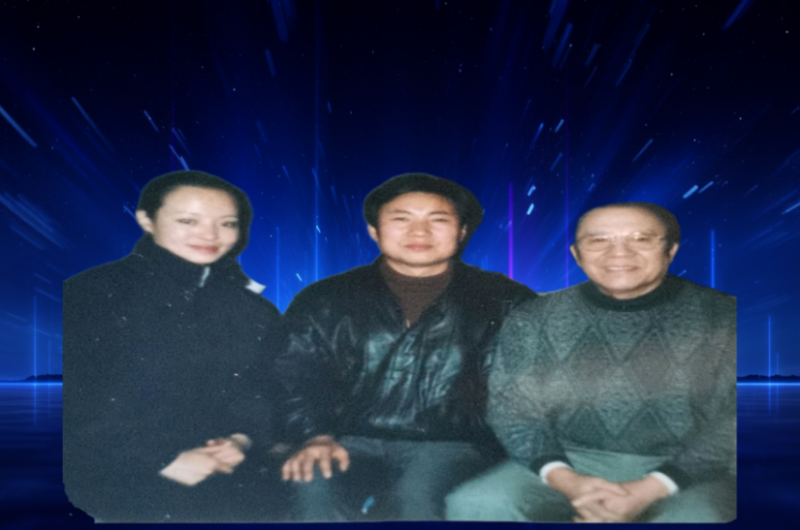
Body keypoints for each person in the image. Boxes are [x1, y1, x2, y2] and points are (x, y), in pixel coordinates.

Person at [446, 202, 736, 523]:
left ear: (671, 250)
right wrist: (569, 482)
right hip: (568, 460)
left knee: (698, 519)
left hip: (692, 469)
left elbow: (733, 422)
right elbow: (512, 408)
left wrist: (651, 488)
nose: (619, 253)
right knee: (476, 504)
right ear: (576, 253)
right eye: (598, 241)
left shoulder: (726, 315)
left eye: (641, 239)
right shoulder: (534, 317)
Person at [277, 173, 536, 521]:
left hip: (453, 443)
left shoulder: (505, 300)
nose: (419, 232)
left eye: (438, 220)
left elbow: (522, 388)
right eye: (401, 219)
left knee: (416, 497)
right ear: (374, 230)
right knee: (311, 485)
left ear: (462, 231)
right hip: (342, 439)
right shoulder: (324, 298)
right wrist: (314, 436)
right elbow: (294, 375)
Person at [63, 170, 287, 522]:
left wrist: (241, 439)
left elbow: (263, 388)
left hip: (227, 466)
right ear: (146, 220)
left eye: (227, 223)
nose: (210, 235)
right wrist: (163, 461)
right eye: (188, 221)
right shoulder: (90, 294)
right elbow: (79, 404)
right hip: (116, 474)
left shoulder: (254, 310)